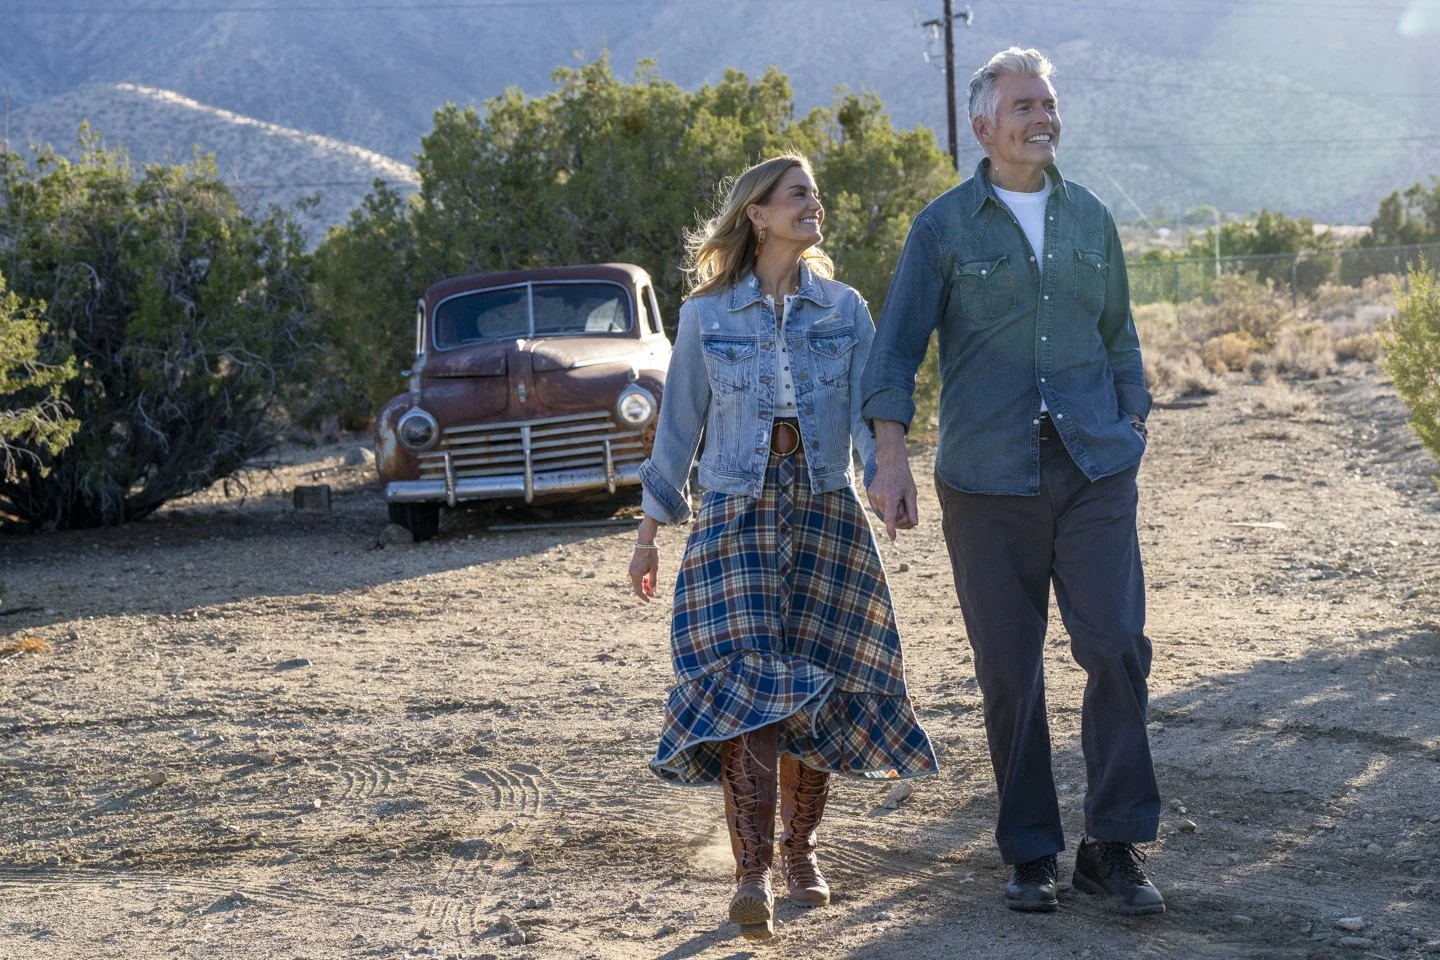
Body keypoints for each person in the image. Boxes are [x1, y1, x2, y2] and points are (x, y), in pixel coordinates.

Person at [861, 48, 1165, 916]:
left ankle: (1113, 845)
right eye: (1025, 104)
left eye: (1050, 102)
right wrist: (890, 458)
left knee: (1115, 646)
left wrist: (1133, 418)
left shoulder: (1092, 218)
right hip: (986, 480)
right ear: (983, 123)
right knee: (1008, 668)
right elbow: (897, 351)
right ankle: (1032, 849)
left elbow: (1120, 332)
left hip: (1095, 465)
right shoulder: (944, 228)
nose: (1043, 116)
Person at [630, 154, 938, 940]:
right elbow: (677, 431)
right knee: (749, 687)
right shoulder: (705, 315)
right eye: (798, 194)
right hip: (736, 512)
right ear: (757, 214)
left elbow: (876, 414)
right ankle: (753, 875)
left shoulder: (845, 309)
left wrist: (886, 481)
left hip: (828, 511)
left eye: (815, 195)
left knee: (819, 686)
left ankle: (800, 852)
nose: (815, 204)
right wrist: (648, 533)